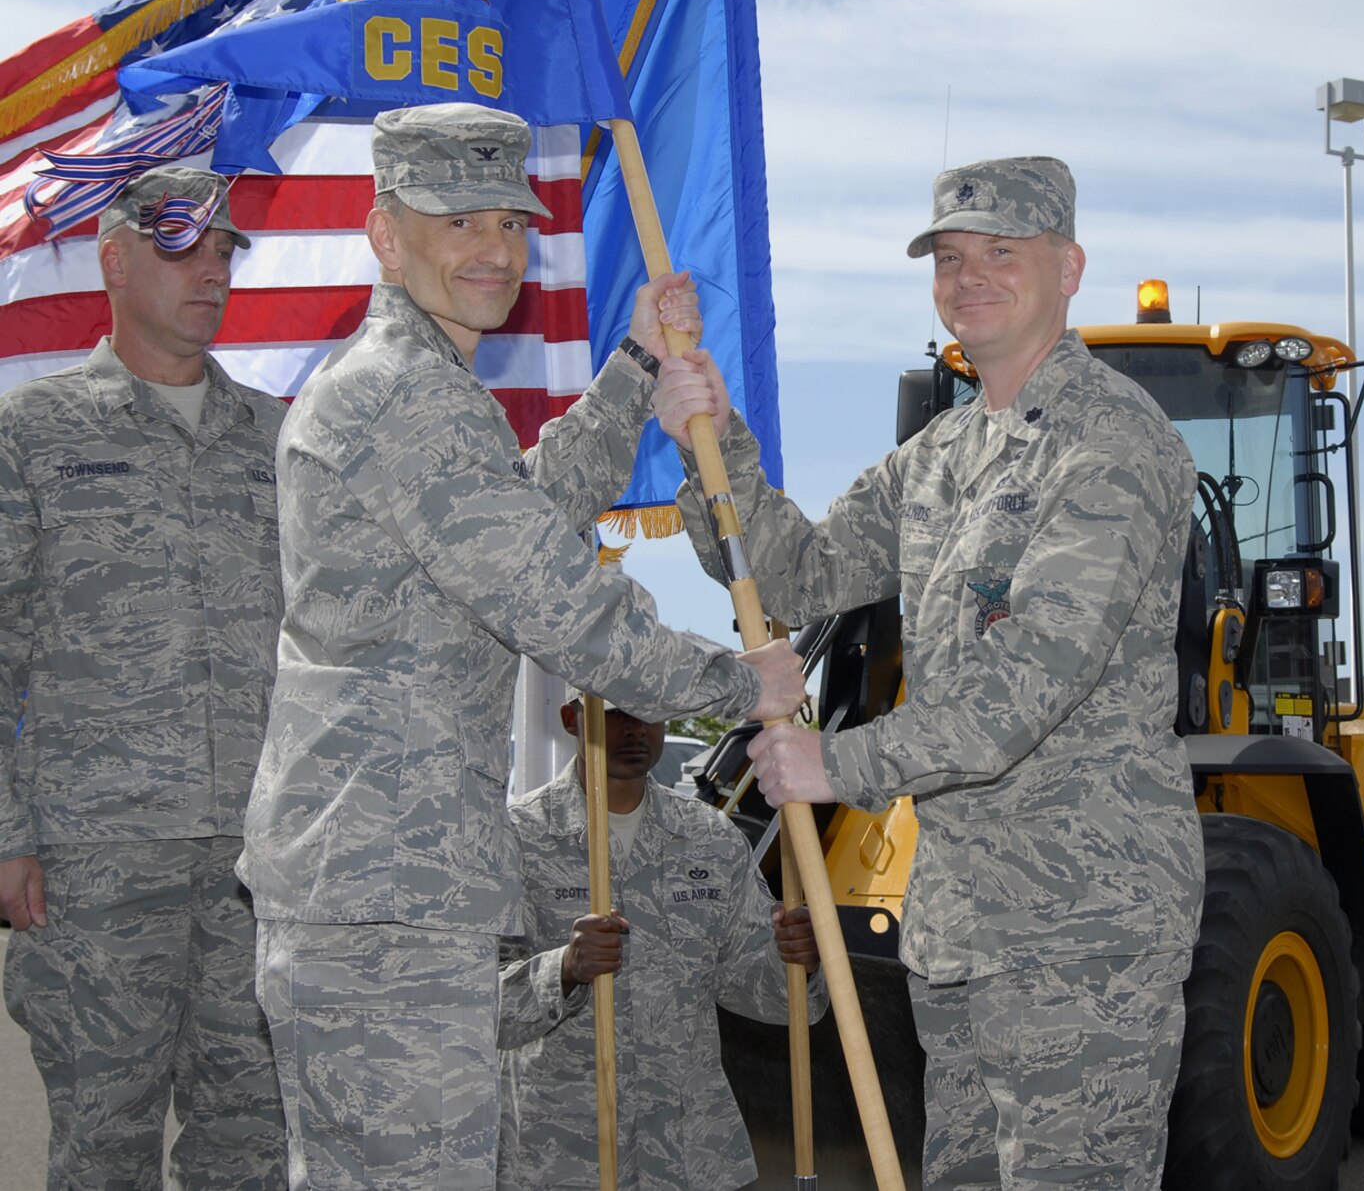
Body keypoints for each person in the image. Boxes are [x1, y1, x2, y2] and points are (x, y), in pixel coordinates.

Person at [237, 103, 807, 1188]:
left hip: (389, 883)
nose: (494, 250)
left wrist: (637, 363)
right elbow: (566, 604)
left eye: (509, 220)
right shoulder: (402, 399)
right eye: (457, 223)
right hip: (380, 892)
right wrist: (744, 682)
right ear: (384, 235)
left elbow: (529, 515)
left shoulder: (431, 398)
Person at [654, 156, 1202, 1189]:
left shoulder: (1112, 442)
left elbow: (1027, 683)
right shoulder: (938, 455)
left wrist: (834, 762)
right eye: (950, 257)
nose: (969, 276)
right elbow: (800, 574)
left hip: (1081, 923)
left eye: (1002, 251)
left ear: (1068, 266)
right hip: (958, 923)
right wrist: (711, 441)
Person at [0, 166, 288, 1188]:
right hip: (95, 857)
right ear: (114, 260)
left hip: (261, 858)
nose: (211, 272)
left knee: (253, 1140)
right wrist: (7, 835)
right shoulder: (31, 434)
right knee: (102, 1143)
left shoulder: (282, 439)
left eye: (223, 253)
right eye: (183, 248)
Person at [497, 687, 825, 1189]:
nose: (635, 728)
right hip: (563, 1154)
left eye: (651, 711)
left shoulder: (710, 838)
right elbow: (472, 1008)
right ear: (570, 719)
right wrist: (562, 969)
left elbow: (767, 996)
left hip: (689, 1155)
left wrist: (800, 962)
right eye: (616, 713)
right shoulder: (514, 838)